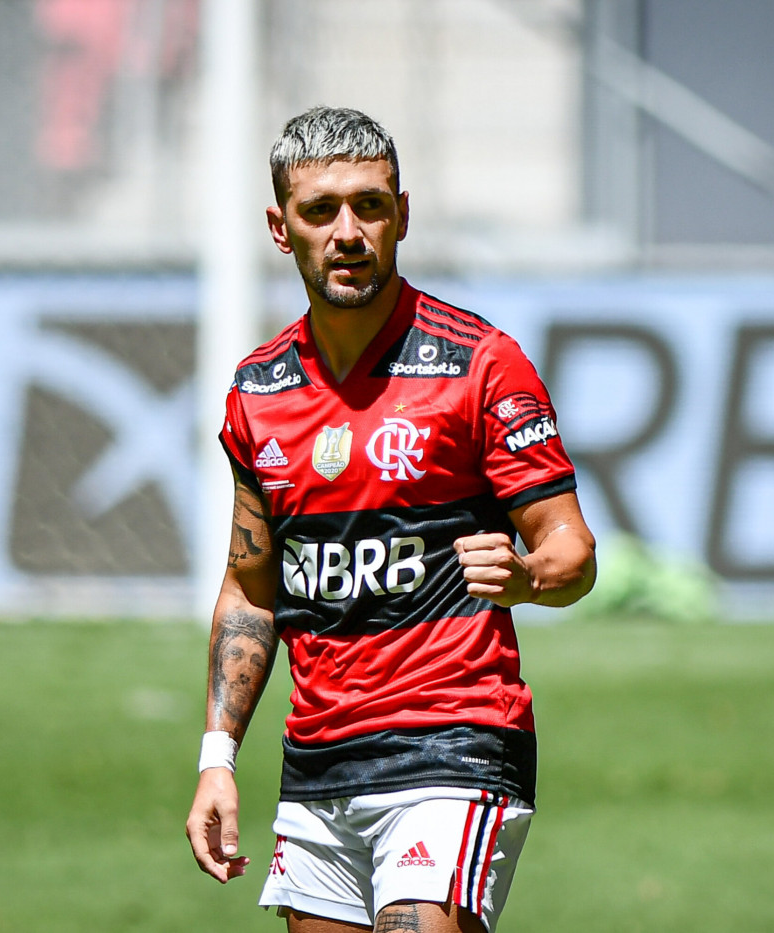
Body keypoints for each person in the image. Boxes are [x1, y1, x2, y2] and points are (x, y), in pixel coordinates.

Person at [185, 106, 597, 933]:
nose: (348, 231)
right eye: (321, 210)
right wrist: (217, 759)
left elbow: (572, 548)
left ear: (401, 215)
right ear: (280, 227)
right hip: (322, 760)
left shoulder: (479, 362)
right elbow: (252, 588)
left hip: (455, 741)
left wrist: (528, 577)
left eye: (370, 206)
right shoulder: (256, 392)